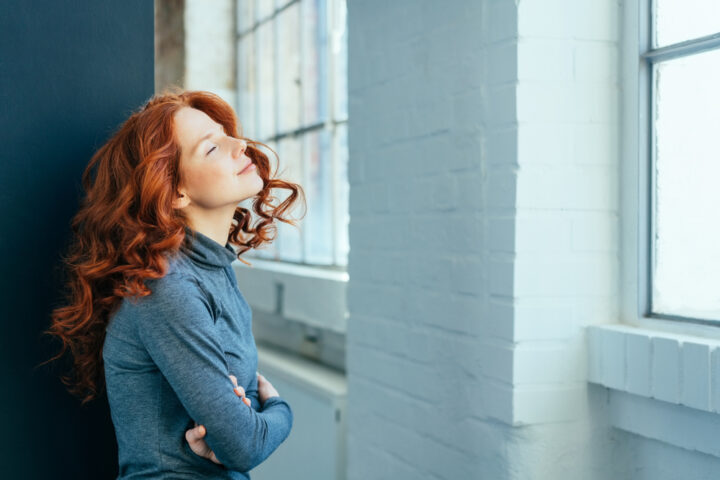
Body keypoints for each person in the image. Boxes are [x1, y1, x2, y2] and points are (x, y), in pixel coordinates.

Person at [42, 89, 306, 479]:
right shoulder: (167, 287)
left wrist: (243, 417)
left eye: (225, 133)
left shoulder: (210, 268)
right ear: (175, 191)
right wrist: (279, 409)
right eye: (211, 148)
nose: (239, 144)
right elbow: (244, 443)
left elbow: (238, 428)